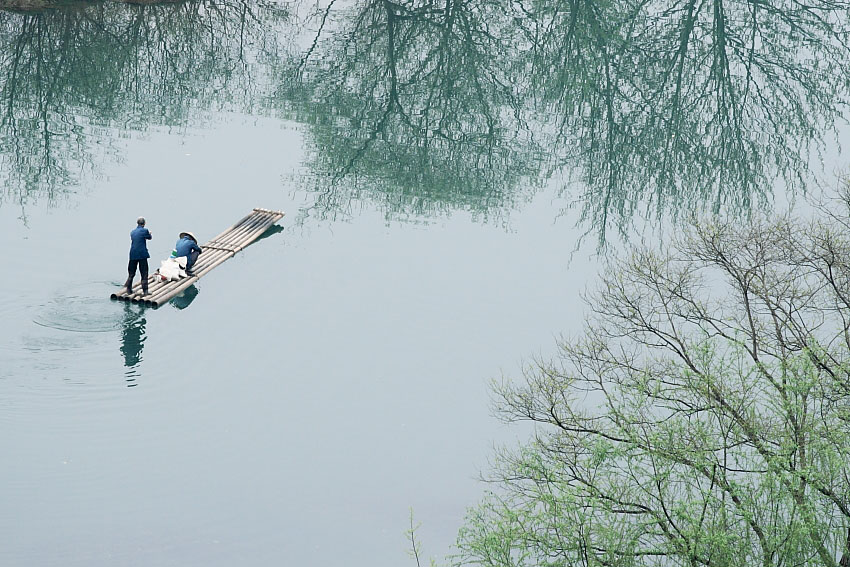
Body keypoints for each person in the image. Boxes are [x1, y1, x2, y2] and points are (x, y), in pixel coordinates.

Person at [126, 216, 152, 295]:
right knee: (144, 273)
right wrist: (149, 233)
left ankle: (129, 290)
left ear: (137, 223)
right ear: (144, 224)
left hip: (132, 254)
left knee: (131, 273)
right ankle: (145, 291)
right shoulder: (145, 230)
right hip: (142, 255)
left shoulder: (132, 232)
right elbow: (149, 237)